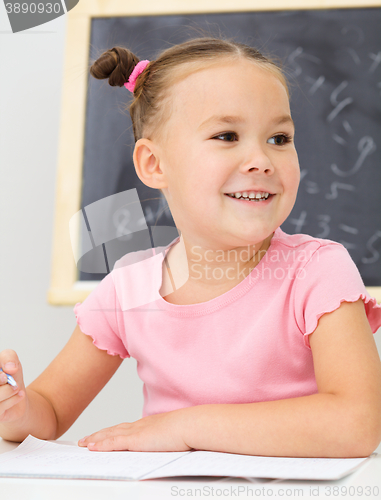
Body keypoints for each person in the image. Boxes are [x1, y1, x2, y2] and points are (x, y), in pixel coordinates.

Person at [1, 36, 381, 458]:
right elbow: (50, 411)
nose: (261, 159)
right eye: (226, 135)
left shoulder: (318, 272)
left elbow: (357, 424)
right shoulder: (128, 289)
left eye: (278, 138)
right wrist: (16, 410)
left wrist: (184, 427)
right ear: (154, 164)